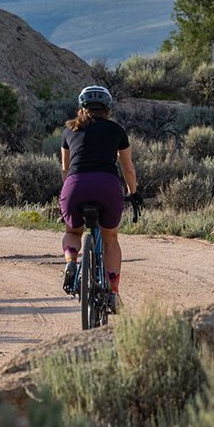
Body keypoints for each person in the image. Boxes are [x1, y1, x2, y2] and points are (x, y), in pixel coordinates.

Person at [59, 85, 140, 311]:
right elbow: (128, 169)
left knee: (72, 231)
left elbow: (65, 169)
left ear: (81, 106)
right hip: (107, 186)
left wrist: (70, 191)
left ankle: (71, 262)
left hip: (76, 185)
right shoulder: (117, 131)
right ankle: (113, 292)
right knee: (110, 239)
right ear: (108, 108)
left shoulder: (68, 131)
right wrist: (133, 193)